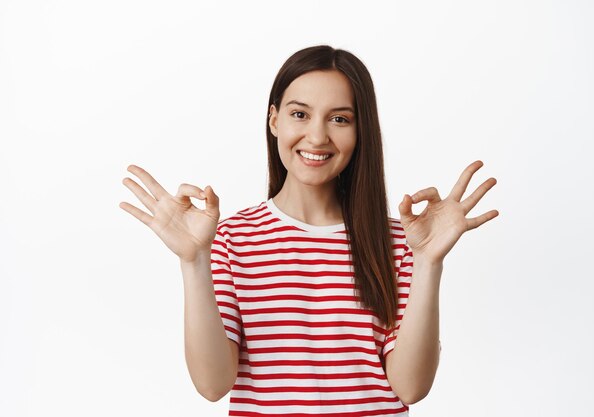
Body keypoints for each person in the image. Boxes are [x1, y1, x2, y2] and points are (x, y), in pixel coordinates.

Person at [119, 44, 499, 416]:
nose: (317, 137)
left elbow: (411, 388)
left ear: (360, 131)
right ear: (274, 120)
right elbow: (212, 385)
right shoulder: (231, 238)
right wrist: (194, 259)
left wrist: (429, 262)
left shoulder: (403, 241)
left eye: (340, 119)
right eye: (300, 114)